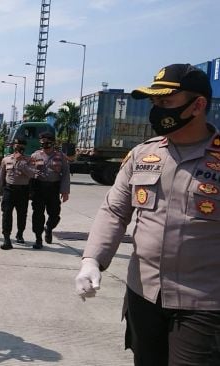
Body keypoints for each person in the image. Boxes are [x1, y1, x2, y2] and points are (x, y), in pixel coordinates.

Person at [75, 63, 220, 365]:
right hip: (144, 295)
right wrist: (92, 259)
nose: (157, 110)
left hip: (204, 303)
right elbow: (115, 211)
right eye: (155, 103)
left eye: (166, 102)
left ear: (198, 105)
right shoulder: (143, 154)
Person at [29, 132, 70, 249]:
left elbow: (66, 174)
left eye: (47, 142)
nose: (45, 145)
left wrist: (65, 191)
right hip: (39, 188)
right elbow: (29, 173)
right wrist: (29, 191)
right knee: (37, 214)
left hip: (53, 188)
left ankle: (49, 228)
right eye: (42, 143)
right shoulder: (35, 156)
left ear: (53, 143)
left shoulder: (60, 156)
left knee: (55, 214)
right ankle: (38, 239)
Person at [0, 138, 36, 249]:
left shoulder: (30, 160)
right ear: (14, 146)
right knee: (7, 214)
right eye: (17, 145)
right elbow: (1, 177)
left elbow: (33, 174)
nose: (19, 147)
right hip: (9, 190)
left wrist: (21, 163)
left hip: (23, 190)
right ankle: (7, 238)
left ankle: (20, 234)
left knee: (22, 214)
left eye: (22, 145)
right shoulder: (6, 159)